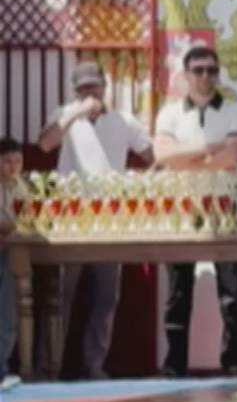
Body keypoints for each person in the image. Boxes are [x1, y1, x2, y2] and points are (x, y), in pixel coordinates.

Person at [36, 61, 153, 379]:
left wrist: (137, 183)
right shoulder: (64, 114)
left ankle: (94, 365)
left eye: (94, 86)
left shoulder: (124, 120)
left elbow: (150, 155)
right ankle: (49, 365)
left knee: (106, 297)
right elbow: (45, 143)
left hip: (109, 219)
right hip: (69, 218)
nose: (90, 93)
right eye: (83, 88)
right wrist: (75, 113)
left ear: (105, 87)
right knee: (61, 296)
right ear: (75, 91)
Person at [153, 46, 237, 378]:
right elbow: (162, 155)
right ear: (185, 75)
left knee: (231, 291)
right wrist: (206, 148)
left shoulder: (235, 110)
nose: (205, 76)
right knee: (177, 291)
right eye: (198, 70)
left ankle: (234, 361)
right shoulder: (169, 113)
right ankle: (174, 364)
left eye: (211, 70)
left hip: (224, 206)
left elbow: (232, 157)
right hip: (182, 208)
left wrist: (186, 158)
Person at [1, 137, 22, 391]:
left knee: (7, 314)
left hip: (9, 253)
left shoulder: (20, 187)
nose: (13, 167)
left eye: (18, 161)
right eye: (7, 161)